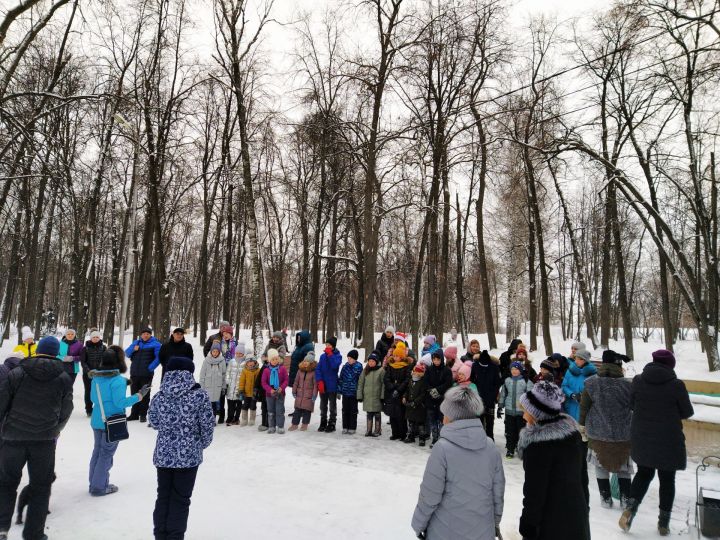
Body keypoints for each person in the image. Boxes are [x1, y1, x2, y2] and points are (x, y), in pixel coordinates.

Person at [0, 336, 73, 540]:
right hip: (44, 441)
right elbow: (67, 409)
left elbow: (2, 402)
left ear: (38, 350)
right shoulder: (63, 377)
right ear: (56, 352)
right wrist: (56, 429)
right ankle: (33, 533)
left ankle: (1, 527)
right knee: (41, 487)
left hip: (13, 438)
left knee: (6, 483)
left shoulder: (17, 373)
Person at [411, 386, 505, 540]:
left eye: (445, 414)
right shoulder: (490, 447)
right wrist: (495, 523)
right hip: (482, 531)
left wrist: (418, 524)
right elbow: (498, 493)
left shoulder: (442, 449)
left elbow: (430, 495)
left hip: (444, 531)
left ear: (452, 416)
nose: (443, 418)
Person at [619, 349, 693, 536]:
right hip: (669, 439)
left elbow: (632, 405)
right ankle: (663, 523)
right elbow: (686, 412)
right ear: (671, 365)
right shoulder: (676, 385)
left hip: (642, 437)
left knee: (643, 474)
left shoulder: (638, 380)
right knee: (667, 480)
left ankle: (629, 510)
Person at [149, 356, 214, 540]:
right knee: (181, 499)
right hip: (189, 457)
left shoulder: (160, 395)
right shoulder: (199, 395)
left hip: (163, 455)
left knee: (163, 496)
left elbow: (154, 421)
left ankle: (160, 536)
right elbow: (207, 426)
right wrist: (200, 444)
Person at [518, 380, 590, 540]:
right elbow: (582, 477)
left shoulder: (538, 446)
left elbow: (534, 492)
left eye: (526, 411)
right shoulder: (573, 435)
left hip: (551, 522)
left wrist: (528, 525)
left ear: (537, 414)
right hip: (577, 514)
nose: (523, 415)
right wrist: (585, 506)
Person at [88, 346, 148, 496]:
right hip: (112, 423)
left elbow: (93, 398)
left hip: (97, 420)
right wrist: (139, 396)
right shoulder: (118, 381)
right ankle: (99, 487)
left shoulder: (96, 378)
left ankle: (94, 483)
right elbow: (120, 403)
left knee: (97, 451)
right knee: (106, 454)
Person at [580, 349, 633, 509]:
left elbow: (584, 407)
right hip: (623, 433)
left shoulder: (591, 383)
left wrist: (582, 427)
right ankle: (625, 499)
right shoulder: (628, 385)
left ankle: (605, 498)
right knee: (623, 466)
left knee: (599, 464)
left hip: (597, 432)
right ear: (619, 365)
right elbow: (634, 406)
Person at [497, 361, 533, 459]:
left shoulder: (526, 381)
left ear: (520, 370)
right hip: (509, 410)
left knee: (521, 431)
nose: (514, 371)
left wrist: (529, 409)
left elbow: (530, 397)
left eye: (516, 369)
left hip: (521, 411)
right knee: (510, 431)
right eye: (512, 369)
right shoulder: (507, 381)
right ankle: (510, 449)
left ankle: (521, 448)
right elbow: (503, 394)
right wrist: (500, 406)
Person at [125, 327, 161, 422]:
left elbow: (158, 358)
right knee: (134, 393)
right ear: (141, 335)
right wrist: (133, 349)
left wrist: (150, 368)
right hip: (134, 373)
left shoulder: (156, 344)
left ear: (150, 335)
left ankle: (143, 415)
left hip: (146, 374)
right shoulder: (136, 343)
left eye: (147, 333)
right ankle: (134, 414)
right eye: (144, 333)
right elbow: (127, 354)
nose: (145, 335)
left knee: (144, 394)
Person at [470, 349, 503, 440]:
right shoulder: (475, 365)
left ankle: (490, 438)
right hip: (478, 397)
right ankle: (479, 438)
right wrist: (476, 392)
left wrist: (493, 395)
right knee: (478, 419)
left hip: (490, 397)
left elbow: (498, 382)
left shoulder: (494, 367)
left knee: (490, 420)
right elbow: (472, 380)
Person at [384, 341, 412, 441]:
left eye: (397, 356)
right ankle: (394, 433)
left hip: (401, 394)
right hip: (391, 394)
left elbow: (407, 380)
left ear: (401, 357)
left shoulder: (406, 367)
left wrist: (399, 389)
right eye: (394, 355)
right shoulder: (390, 366)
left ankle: (402, 434)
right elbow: (386, 379)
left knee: (401, 415)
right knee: (392, 415)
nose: (395, 357)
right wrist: (392, 387)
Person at [425, 350, 453, 448]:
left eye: (438, 359)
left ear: (441, 359)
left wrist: (437, 390)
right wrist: (431, 391)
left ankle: (441, 438)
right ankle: (434, 438)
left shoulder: (446, 370)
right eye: (434, 359)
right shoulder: (429, 369)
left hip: (442, 399)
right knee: (432, 420)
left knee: (441, 420)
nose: (436, 361)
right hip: (431, 398)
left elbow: (448, 383)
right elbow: (426, 381)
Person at [561, 349, 596, 421]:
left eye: (577, 359)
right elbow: (564, 386)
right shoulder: (570, 370)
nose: (575, 361)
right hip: (569, 405)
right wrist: (572, 394)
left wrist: (583, 395)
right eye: (575, 358)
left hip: (583, 408)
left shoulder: (593, 373)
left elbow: (594, 390)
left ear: (584, 360)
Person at [315, 336, 342, 433]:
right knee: (323, 405)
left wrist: (330, 355)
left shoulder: (338, 356)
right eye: (326, 344)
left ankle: (332, 422)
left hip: (332, 385)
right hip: (323, 384)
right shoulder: (322, 356)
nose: (327, 346)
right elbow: (318, 369)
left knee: (332, 405)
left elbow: (335, 366)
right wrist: (319, 381)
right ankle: (323, 421)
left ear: (333, 346)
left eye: (329, 345)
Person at [261, 349, 289, 434]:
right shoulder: (266, 370)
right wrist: (270, 390)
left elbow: (286, 380)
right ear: (269, 360)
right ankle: (271, 426)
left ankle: (280, 426)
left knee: (279, 410)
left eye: (276, 358)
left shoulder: (282, 369)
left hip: (280, 393)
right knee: (271, 411)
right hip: (270, 395)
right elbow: (263, 382)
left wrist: (281, 388)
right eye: (273, 359)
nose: (275, 361)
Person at [357, 352, 385, 437]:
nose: (371, 363)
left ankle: (377, 430)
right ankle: (369, 430)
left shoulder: (381, 371)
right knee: (369, 414)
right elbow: (360, 383)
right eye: (370, 361)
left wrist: (382, 396)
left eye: (373, 361)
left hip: (377, 397)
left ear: (376, 362)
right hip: (368, 397)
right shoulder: (365, 371)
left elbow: (384, 384)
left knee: (377, 413)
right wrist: (360, 395)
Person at [80, 331, 107, 416]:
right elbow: (83, 362)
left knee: (100, 391)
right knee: (88, 391)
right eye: (93, 337)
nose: (95, 339)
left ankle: (99, 409)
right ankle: (89, 409)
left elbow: (106, 360)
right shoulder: (85, 348)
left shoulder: (104, 348)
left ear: (99, 338)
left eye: (97, 337)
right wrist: (89, 371)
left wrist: (100, 370)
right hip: (88, 374)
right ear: (90, 338)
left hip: (100, 374)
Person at [199, 342, 227, 424]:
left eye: (217, 351)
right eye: (213, 351)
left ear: (219, 352)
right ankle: (209, 420)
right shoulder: (206, 361)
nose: (215, 353)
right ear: (211, 351)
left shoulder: (222, 361)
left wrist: (223, 387)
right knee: (209, 404)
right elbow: (202, 375)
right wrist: (202, 387)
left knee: (215, 404)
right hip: (208, 386)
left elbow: (224, 374)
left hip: (218, 386)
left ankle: (214, 420)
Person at [289, 351, 317, 431]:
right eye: (304, 361)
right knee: (297, 410)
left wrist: (314, 395)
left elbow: (315, 385)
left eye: (307, 362)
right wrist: (294, 391)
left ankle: (305, 424)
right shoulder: (300, 370)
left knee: (307, 410)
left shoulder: (313, 372)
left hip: (309, 395)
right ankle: (294, 424)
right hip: (299, 394)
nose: (305, 363)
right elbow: (296, 381)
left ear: (311, 363)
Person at [337, 350, 363, 435]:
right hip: (345, 392)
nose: (349, 359)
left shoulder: (359, 367)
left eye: (350, 358)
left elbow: (360, 381)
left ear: (355, 359)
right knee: (345, 410)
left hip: (353, 393)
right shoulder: (345, 367)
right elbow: (341, 379)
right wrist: (339, 391)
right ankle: (345, 427)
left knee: (353, 411)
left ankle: (352, 427)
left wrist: (359, 392)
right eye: (348, 358)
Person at [403, 363, 427, 446]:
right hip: (410, 405)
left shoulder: (423, 382)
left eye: (417, 371)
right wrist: (404, 397)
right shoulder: (411, 380)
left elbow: (423, 394)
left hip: (419, 406)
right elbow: (407, 390)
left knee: (421, 423)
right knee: (411, 422)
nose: (414, 373)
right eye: (414, 371)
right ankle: (410, 436)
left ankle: (422, 438)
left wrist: (415, 402)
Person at [224, 345, 245, 426]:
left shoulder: (245, 363)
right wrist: (228, 382)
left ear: (243, 354)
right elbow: (227, 372)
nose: (238, 355)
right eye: (237, 353)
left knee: (239, 404)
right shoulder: (232, 361)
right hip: (231, 387)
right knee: (230, 404)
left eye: (240, 353)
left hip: (239, 388)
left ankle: (236, 418)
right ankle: (230, 417)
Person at [237, 355, 260, 426]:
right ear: (246, 363)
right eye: (249, 362)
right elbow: (242, 381)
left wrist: (258, 391)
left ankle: (252, 419)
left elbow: (259, 382)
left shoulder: (258, 370)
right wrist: (241, 390)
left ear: (255, 362)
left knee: (253, 406)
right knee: (245, 406)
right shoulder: (244, 371)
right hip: (246, 393)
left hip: (254, 393)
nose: (250, 363)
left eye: (252, 361)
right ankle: (244, 419)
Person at [255, 354, 270, 431]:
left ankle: (269, 423)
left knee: (270, 408)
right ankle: (264, 423)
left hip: (271, 392)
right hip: (263, 391)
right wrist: (256, 388)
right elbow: (259, 378)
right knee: (264, 407)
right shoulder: (264, 367)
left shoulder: (276, 368)